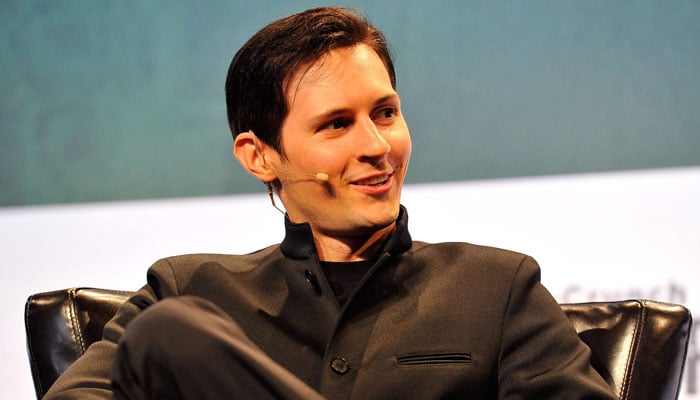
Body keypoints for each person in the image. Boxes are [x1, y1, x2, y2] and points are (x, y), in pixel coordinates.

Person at [43, 6, 617, 400]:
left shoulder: (497, 289)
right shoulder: (192, 290)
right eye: (337, 124)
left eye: (385, 113)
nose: (376, 146)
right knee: (170, 335)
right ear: (259, 156)